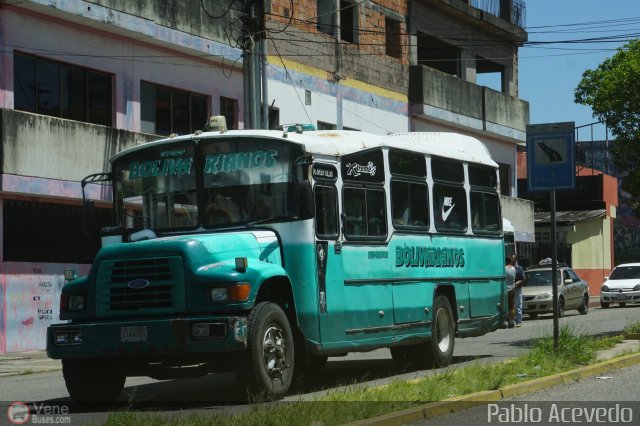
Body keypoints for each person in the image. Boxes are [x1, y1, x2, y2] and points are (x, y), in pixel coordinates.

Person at [512, 254, 525, 327]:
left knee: (518, 305)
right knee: (511, 305)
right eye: (511, 258)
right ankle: (511, 321)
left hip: (518, 289)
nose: (512, 259)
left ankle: (519, 321)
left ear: (516, 259)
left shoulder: (519, 268)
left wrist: (518, 282)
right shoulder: (509, 267)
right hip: (510, 288)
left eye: (513, 258)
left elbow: (523, 279)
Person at [505, 256, 516, 328]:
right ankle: (511, 321)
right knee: (511, 307)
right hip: (512, 289)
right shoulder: (513, 268)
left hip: (505, 290)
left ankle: (504, 321)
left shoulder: (504, 269)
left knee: (504, 307)